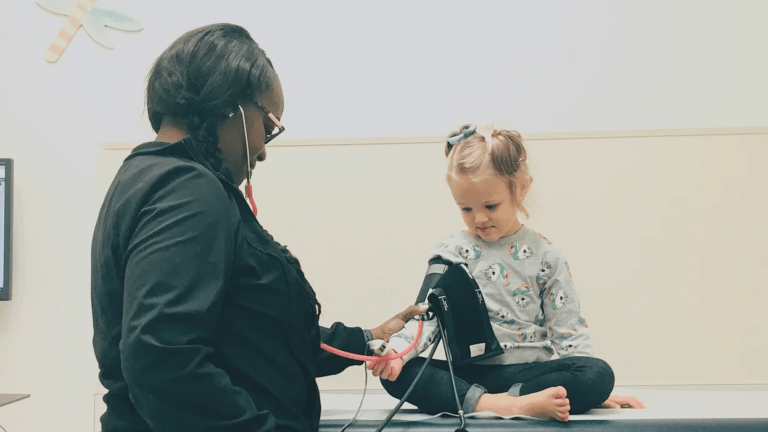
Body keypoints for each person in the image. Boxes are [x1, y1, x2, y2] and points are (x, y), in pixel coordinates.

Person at [91, 23, 425, 432]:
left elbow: (255, 339)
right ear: (229, 103)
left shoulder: (146, 179)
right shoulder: (188, 189)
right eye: (268, 127)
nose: (264, 150)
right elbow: (163, 358)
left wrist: (369, 338)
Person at [367, 125, 644, 421]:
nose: (480, 218)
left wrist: (595, 391)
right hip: (469, 373)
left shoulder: (547, 255)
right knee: (396, 374)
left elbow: (568, 332)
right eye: (466, 209)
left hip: (529, 373)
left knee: (597, 373)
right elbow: (425, 318)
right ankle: (503, 405)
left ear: (521, 188)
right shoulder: (451, 252)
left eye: (490, 205)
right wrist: (396, 353)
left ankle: (504, 399)